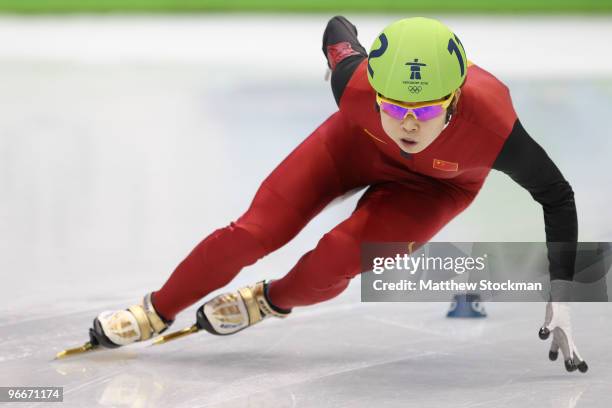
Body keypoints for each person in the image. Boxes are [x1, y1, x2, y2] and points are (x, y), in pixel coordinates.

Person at [86, 16, 587, 373]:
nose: (409, 125)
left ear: (455, 99)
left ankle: (270, 301)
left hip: (436, 186)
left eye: (429, 112)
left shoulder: (495, 128)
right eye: (393, 105)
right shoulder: (353, 81)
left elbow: (557, 196)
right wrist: (344, 70)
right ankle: (156, 309)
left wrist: (562, 293)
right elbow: (338, 30)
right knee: (255, 232)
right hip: (353, 146)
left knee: (334, 260)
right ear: (374, 85)